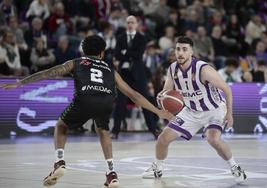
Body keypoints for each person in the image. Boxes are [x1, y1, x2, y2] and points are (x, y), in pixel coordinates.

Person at [0, 35, 173, 187]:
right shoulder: (110, 70)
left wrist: (21, 83)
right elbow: (134, 95)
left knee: (61, 126)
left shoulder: (75, 62)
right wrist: (158, 112)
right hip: (106, 101)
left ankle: (59, 161)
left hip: (85, 98)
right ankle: (111, 173)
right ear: (102, 53)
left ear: (83, 51)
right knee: (103, 131)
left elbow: (49, 73)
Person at [142, 36, 247, 183]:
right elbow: (166, 91)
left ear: (191, 52)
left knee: (213, 140)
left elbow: (226, 89)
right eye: (178, 49)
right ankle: (157, 168)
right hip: (191, 111)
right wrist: (162, 98)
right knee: (162, 139)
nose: (180, 53)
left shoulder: (203, 69)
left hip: (214, 110)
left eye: (184, 49)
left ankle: (235, 166)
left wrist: (229, 113)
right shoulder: (172, 69)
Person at [111, 15, 161, 139]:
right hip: (124, 75)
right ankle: (115, 131)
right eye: (128, 22)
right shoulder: (120, 37)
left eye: (132, 22)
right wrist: (128, 54)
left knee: (144, 102)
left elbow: (138, 55)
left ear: (137, 24)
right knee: (120, 103)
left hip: (138, 74)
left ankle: (154, 129)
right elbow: (117, 55)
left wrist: (125, 52)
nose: (130, 24)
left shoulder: (141, 38)